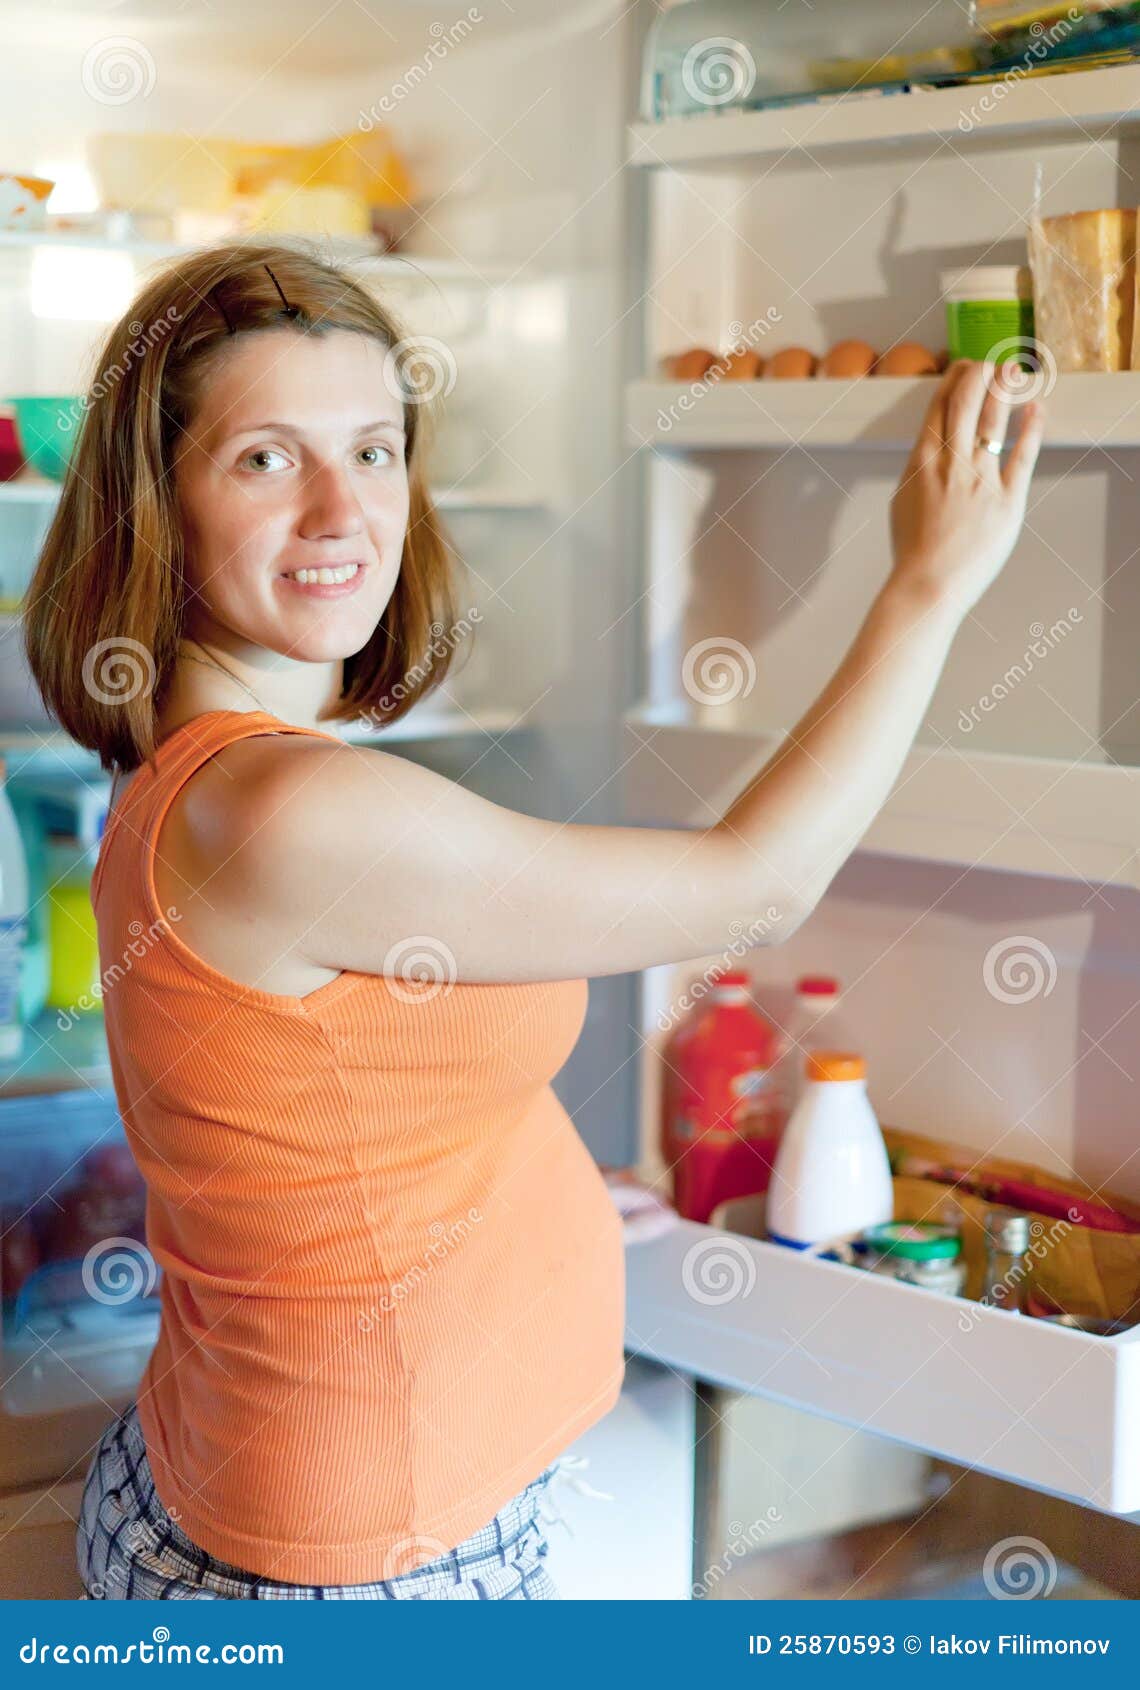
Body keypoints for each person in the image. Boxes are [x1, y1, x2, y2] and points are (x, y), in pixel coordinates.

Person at [22, 240, 1043, 1599]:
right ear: (159, 500)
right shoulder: (291, 813)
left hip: (249, 1491)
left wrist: (518, 1186)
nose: (344, 510)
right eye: (267, 457)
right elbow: (756, 883)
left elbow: (336, 1087)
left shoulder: (191, 779)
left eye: (376, 450)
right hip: (358, 1572)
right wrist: (928, 585)